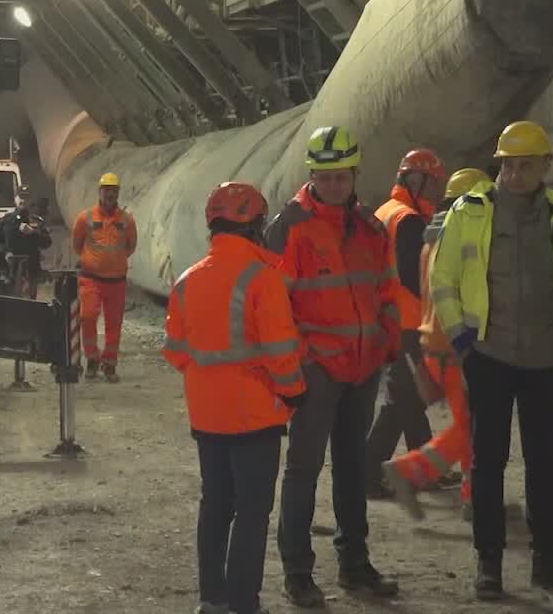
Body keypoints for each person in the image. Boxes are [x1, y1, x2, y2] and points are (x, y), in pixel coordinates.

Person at [431, 120, 553, 601]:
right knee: (488, 462)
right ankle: (490, 564)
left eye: (526, 166)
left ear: (545, 166)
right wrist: (463, 341)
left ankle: (547, 562)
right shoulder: (471, 212)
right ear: (498, 165)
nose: (516, 174)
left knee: (545, 464)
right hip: (490, 355)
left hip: (547, 358)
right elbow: (445, 279)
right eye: (508, 165)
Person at [265, 125, 403, 607]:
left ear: (354, 173)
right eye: (325, 177)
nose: (334, 185)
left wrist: (386, 339)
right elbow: (271, 304)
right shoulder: (291, 229)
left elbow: (388, 288)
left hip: (363, 368)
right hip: (317, 370)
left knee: (350, 467)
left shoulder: (369, 227)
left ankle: (354, 564)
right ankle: (298, 573)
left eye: (341, 176)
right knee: (303, 469)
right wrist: (302, 359)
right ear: (313, 175)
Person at [166, 182, 308, 614]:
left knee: (215, 507)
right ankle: (244, 603)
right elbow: (281, 351)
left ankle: (211, 600)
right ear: (257, 226)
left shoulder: (187, 281)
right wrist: (295, 393)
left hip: (207, 416)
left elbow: (176, 352)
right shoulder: (264, 278)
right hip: (255, 418)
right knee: (251, 513)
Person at [385, 166, 493, 522]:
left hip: (432, 342)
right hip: (455, 346)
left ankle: (470, 497)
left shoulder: (432, 237)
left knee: (470, 425)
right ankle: (414, 473)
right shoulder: (465, 238)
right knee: (473, 429)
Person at [366, 148, 448, 495]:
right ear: (414, 179)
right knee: (402, 399)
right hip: (409, 322)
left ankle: (424, 470)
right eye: (431, 184)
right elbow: (414, 277)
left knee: (412, 397)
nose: (435, 192)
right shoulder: (410, 220)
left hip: (389, 318)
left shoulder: (385, 212)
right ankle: (367, 475)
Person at [73, 172, 138, 382]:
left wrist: (114, 261)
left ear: (118, 193)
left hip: (116, 281)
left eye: (113, 190)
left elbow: (131, 246)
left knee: (114, 323)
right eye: (106, 190)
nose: (110, 194)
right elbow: (77, 244)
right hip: (90, 279)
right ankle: (92, 358)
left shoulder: (127, 220)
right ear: (100, 192)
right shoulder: (86, 218)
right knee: (87, 316)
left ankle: (109, 363)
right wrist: (93, 261)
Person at [0, 187, 52, 298]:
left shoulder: (36, 221)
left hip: (32, 273)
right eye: (20, 197)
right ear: (15, 198)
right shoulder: (5, 221)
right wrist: (6, 252)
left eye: (26, 197)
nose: (23, 200)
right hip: (10, 274)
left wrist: (33, 232)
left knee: (30, 307)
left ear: (30, 200)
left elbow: (47, 242)